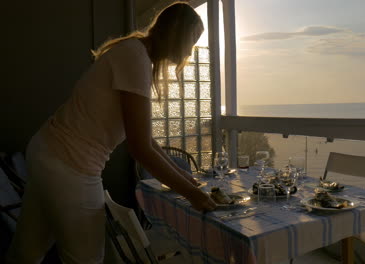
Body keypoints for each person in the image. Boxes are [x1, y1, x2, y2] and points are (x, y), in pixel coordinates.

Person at [6, 2, 216, 263]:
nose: (189, 50)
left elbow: (146, 138)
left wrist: (181, 175)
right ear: (176, 35)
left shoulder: (134, 53)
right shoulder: (135, 57)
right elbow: (140, 149)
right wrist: (192, 194)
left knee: (27, 251)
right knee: (87, 257)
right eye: (190, 41)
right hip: (71, 164)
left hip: (47, 152)